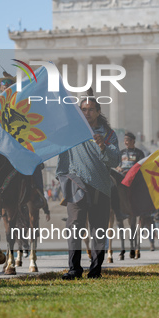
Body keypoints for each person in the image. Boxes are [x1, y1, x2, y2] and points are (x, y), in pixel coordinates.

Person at [57, 99, 120, 279]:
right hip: (76, 184)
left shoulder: (108, 135)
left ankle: (95, 270)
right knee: (74, 226)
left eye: (91, 109)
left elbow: (115, 160)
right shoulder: (72, 132)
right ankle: (74, 269)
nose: (87, 113)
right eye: (83, 110)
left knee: (98, 230)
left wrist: (103, 146)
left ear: (98, 111)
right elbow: (62, 155)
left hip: (100, 187)